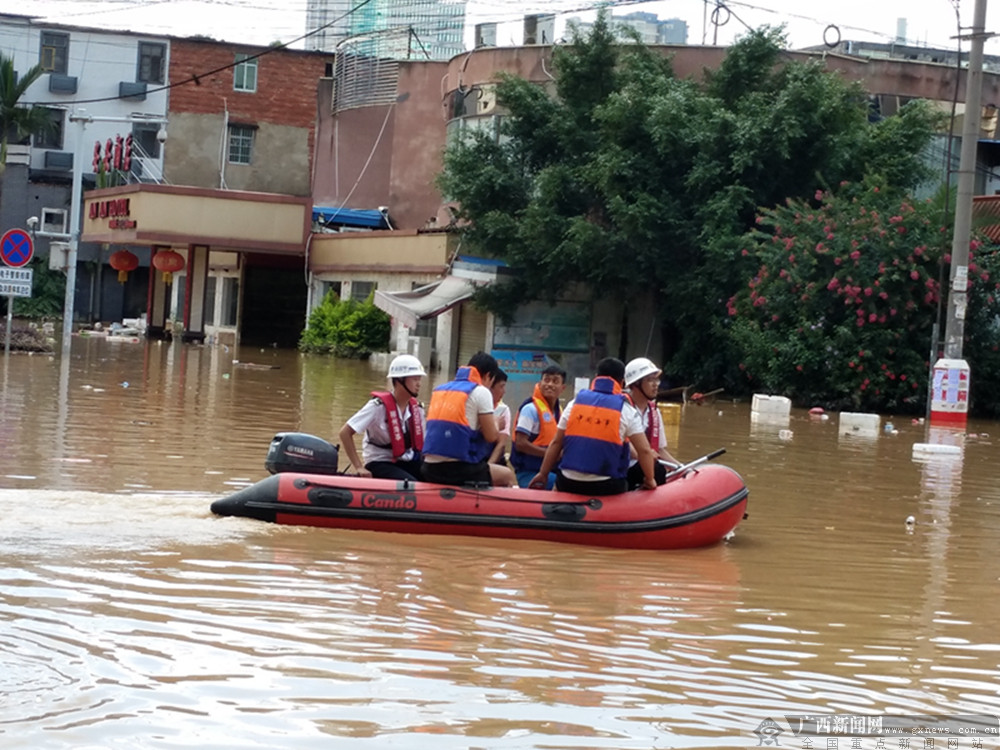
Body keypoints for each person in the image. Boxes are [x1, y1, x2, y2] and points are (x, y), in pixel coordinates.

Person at [528, 357, 657, 496]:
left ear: (596, 377)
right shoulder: (626, 410)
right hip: (605, 485)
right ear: (622, 382)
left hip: (567, 482)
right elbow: (644, 451)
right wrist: (650, 480)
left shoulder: (574, 403)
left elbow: (556, 443)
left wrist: (543, 473)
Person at [421, 351, 517, 487]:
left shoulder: (440, 389)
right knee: (507, 475)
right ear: (489, 376)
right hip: (456, 469)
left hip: (427, 467)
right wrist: (495, 422)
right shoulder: (482, 391)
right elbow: (491, 437)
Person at [338, 354, 427, 481]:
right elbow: (345, 433)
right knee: (412, 485)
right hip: (380, 462)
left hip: (407, 461)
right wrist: (359, 467)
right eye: (414, 379)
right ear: (399, 380)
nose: (419, 384)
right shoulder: (377, 407)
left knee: (434, 476)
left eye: (419, 379)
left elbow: (424, 443)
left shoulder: (417, 409)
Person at [623, 357, 681, 490]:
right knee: (657, 470)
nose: (656, 384)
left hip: (645, 466)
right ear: (635, 384)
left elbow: (660, 450)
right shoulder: (622, 408)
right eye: (650, 380)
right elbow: (623, 445)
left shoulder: (653, 411)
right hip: (624, 469)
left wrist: (681, 467)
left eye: (656, 379)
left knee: (658, 470)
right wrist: (647, 456)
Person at [509, 364, 566, 489]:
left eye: (555, 381)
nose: (550, 384)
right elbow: (520, 443)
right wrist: (550, 454)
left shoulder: (559, 412)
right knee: (564, 486)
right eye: (546, 380)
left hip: (550, 471)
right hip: (529, 472)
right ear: (540, 383)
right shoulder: (530, 409)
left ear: (562, 388)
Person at [487, 369, 511, 467]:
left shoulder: (503, 410)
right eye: (501, 386)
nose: (504, 391)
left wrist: (488, 467)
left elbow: (501, 444)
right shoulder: (475, 405)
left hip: (493, 461)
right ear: (490, 387)